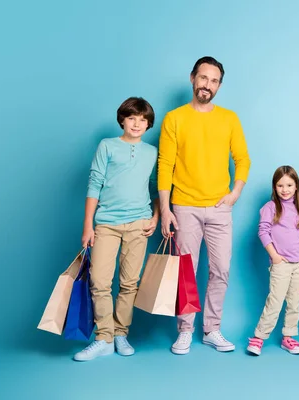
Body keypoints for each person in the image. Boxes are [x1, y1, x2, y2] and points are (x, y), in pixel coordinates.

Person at [158, 56, 251, 355]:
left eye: (213, 81)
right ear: (192, 78)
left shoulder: (229, 118)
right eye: (203, 78)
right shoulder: (174, 118)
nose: (207, 85)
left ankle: (211, 329)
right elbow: (165, 165)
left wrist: (235, 193)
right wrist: (165, 209)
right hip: (184, 206)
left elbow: (242, 159)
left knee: (221, 269)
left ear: (219, 86)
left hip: (219, 207)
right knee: (186, 270)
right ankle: (185, 330)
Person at [74, 97, 159, 361]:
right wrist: (88, 225)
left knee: (129, 283)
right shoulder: (107, 146)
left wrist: (155, 217)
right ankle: (104, 337)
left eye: (143, 120)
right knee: (99, 282)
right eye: (132, 118)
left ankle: (120, 333)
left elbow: (156, 186)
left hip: (139, 224)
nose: (137, 124)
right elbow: (94, 183)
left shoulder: (152, 152)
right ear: (122, 119)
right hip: (107, 224)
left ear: (148, 124)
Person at [246, 166, 299, 356]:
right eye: (280, 185)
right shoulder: (269, 208)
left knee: (294, 302)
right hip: (281, 263)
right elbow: (263, 231)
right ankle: (259, 337)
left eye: (289, 185)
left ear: (296, 186)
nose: (285, 189)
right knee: (275, 301)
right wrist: (274, 256)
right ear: (274, 187)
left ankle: (288, 338)